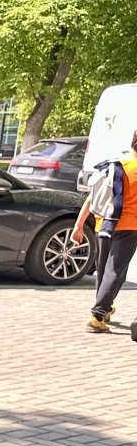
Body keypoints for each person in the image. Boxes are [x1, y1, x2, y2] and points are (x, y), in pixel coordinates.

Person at [74, 128, 137, 333]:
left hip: (105, 224)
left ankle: (105, 308)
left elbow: (92, 198)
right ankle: (97, 315)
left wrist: (79, 225)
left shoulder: (114, 165)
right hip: (129, 226)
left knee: (104, 270)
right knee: (116, 271)